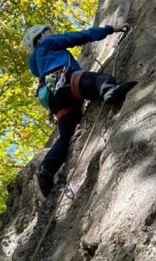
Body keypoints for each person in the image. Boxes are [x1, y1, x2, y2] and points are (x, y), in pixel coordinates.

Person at [23, 22, 137, 197]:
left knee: (66, 137)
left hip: (55, 101)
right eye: (48, 31)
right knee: (95, 80)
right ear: (40, 37)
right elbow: (77, 37)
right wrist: (109, 29)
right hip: (66, 81)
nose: (51, 32)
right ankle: (110, 92)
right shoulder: (47, 44)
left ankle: (47, 169)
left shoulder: (37, 65)